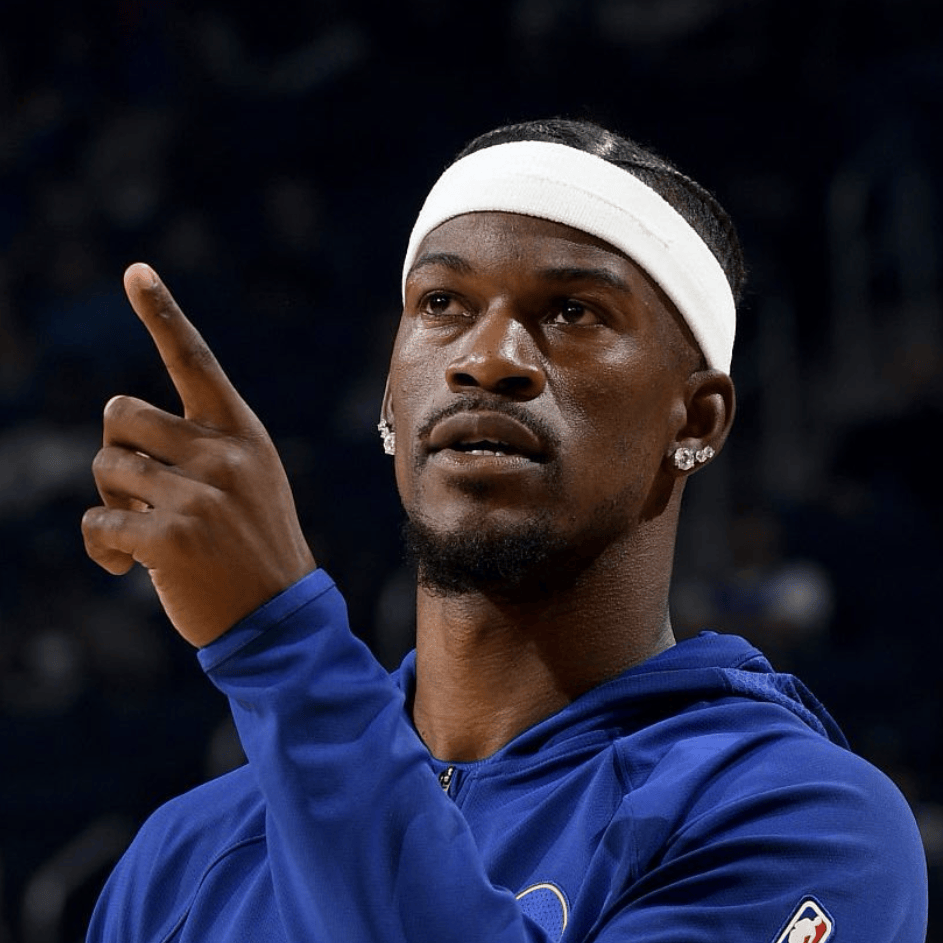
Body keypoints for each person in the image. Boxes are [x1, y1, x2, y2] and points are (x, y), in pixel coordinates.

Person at [81, 118, 928, 942]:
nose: (486, 358)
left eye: (573, 311)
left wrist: (281, 645)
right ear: (390, 398)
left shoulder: (805, 821)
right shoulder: (184, 856)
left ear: (696, 418)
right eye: (442, 302)